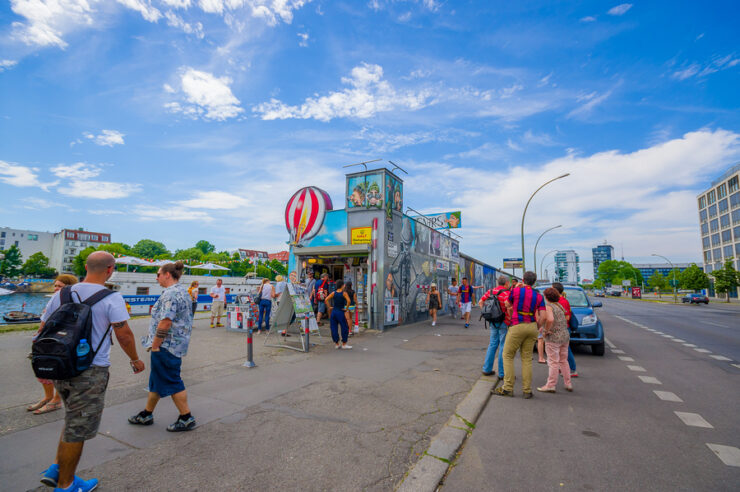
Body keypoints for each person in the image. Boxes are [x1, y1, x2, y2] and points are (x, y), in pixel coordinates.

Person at [38, 252, 144, 491]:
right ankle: (66, 485)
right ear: (110, 270)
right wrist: (135, 359)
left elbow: (43, 328)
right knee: (79, 428)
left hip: (60, 367)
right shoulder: (111, 297)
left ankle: (56, 468)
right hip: (90, 371)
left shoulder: (62, 294)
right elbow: (123, 333)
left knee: (73, 418)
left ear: (86, 267)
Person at [129, 261, 197, 431]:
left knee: (172, 380)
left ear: (167, 274)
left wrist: (156, 345)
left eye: (158, 274)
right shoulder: (182, 291)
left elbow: (165, 322)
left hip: (166, 345)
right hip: (176, 343)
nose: (156, 278)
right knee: (157, 380)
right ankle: (146, 413)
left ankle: (186, 417)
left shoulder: (170, 294)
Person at [28, 274, 78, 415]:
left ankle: (56, 400)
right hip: (47, 339)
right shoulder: (54, 300)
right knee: (42, 368)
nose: (56, 288)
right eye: (55, 285)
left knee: (56, 369)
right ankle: (48, 397)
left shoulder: (70, 301)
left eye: (60, 286)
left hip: (61, 341)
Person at [494, 271, 545, 399]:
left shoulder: (516, 291)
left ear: (523, 279)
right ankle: (527, 390)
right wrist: (537, 326)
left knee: (507, 355)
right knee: (527, 359)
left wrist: (515, 289)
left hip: (517, 325)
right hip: (532, 326)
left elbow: (507, 304)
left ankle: (508, 388)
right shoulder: (538, 296)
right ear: (534, 282)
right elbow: (543, 315)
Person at [537, 288, 573, 393]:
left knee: (553, 362)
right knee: (563, 360)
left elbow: (550, 319)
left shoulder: (549, 307)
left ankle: (551, 384)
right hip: (564, 336)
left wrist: (546, 330)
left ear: (546, 297)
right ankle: (568, 383)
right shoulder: (559, 305)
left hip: (554, 337)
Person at [478, 276, 511, 378]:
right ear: (506, 283)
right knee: (503, 346)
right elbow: (508, 306)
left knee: (492, 344)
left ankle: (487, 369)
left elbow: (480, 302)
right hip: (504, 322)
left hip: (492, 321)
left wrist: (487, 314)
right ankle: (502, 373)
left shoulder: (490, 291)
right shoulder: (506, 293)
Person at [553, 282, 578, 377]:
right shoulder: (557, 301)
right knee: (559, 349)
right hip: (559, 328)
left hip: (563, 329)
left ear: (555, 291)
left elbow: (567, 317)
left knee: (565, 349)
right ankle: (561, 367)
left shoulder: (562, 301)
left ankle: (572, 369)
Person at [325, 279, 352, 349]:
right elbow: (349, 301)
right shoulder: (344, 293)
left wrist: (329, 307)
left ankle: (336, 344)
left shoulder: (333, 293)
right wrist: (346, 308)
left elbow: (326, 299)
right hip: (340, 311)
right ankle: (344, 343)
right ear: (342, 286)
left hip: (334, 312)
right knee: (344, 327)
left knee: (334, 327)